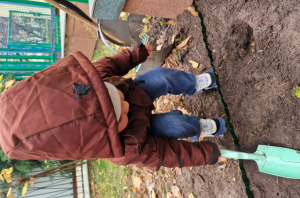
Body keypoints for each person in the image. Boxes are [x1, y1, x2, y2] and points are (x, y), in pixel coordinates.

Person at [0, 43, 227, 171]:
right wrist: (210, 154)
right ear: (106, 135)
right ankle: (201, 127)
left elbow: (113, 64)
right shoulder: (124, 149)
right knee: (177, 124)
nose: (125, 105)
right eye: (120, 114)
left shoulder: (97, 80)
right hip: (144, 133)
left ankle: (194, 84)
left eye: (113, 95)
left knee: (161, 77)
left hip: (137, 91)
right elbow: (167, 154)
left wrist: (137, 53)